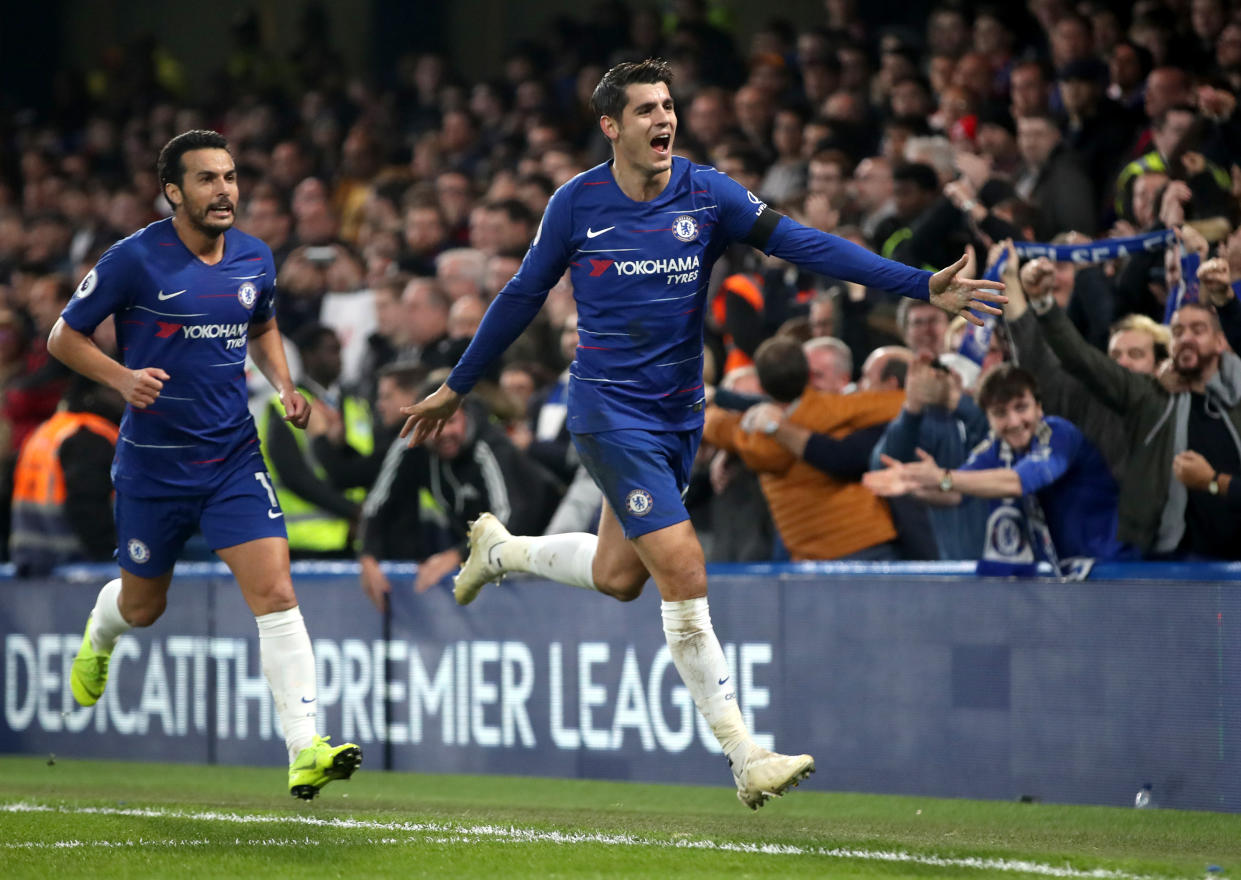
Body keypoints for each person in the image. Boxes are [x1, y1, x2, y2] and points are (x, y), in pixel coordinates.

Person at [398, 59, 1004, 810]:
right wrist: (457, 385)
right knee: (682, 565)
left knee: (622, 578)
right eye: (646, 110)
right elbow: (523, 295)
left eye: (669, 106)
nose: (664, 120)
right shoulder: (575, 204)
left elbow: (804, 245)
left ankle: (503, 550)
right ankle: (743, 752)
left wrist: (916, 283)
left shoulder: (707, 192)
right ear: (610, 127)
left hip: (681, 412)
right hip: (608, 410)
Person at [46, 130, 361, 799]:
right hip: (153, 467)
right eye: (208, 180)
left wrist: (282, 385)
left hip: (230, 458)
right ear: (173, 191)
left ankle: (305, 747)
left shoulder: (254, 257)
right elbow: (62, 336)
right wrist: (121, 378)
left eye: (231, 177)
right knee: (142, 606)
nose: (225, 191)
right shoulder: (134, 259)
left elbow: (263, 323)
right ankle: (99, 634)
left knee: (276, 592)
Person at [864, 364, 1126, 562]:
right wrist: (913, 486)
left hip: (1110, 567)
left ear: (1039, 407)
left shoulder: (1058, 433)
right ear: (988, 418)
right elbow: (955, 494)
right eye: (1000, 413)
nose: (1013, 422)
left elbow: (1016, 482)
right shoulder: (996, 448)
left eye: (1021, 407)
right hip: (1063, 573)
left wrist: (943, 477)